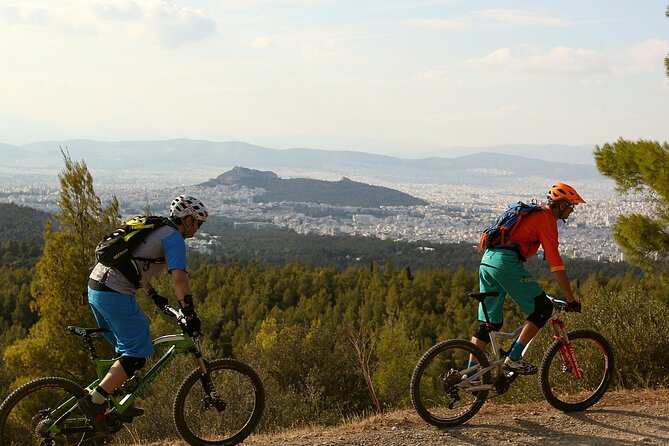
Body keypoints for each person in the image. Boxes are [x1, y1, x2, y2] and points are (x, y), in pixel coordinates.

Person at [77, 195, 208, 431]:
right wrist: (189, 312)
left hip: (96, 286)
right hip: (113, 292)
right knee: (137, 354)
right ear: (188, 220)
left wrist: (153, 294)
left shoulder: (156, 227)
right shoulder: (174, 238)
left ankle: (116, 400)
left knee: (124, 352)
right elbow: (179, 279)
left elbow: (135, 261)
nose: (198, 229)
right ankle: (95, 401)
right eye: (198, 223)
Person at [469, 183, 584, 375]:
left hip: (487, 260)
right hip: (505, 264)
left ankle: (469, 374)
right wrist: (570, 299)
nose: (573, 210)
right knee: (543, 308)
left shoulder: (534, 212)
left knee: (491, 324)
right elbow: (556, 264)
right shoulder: (546, 219)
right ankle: (513, 359)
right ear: (561, 205)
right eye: (572, 205)